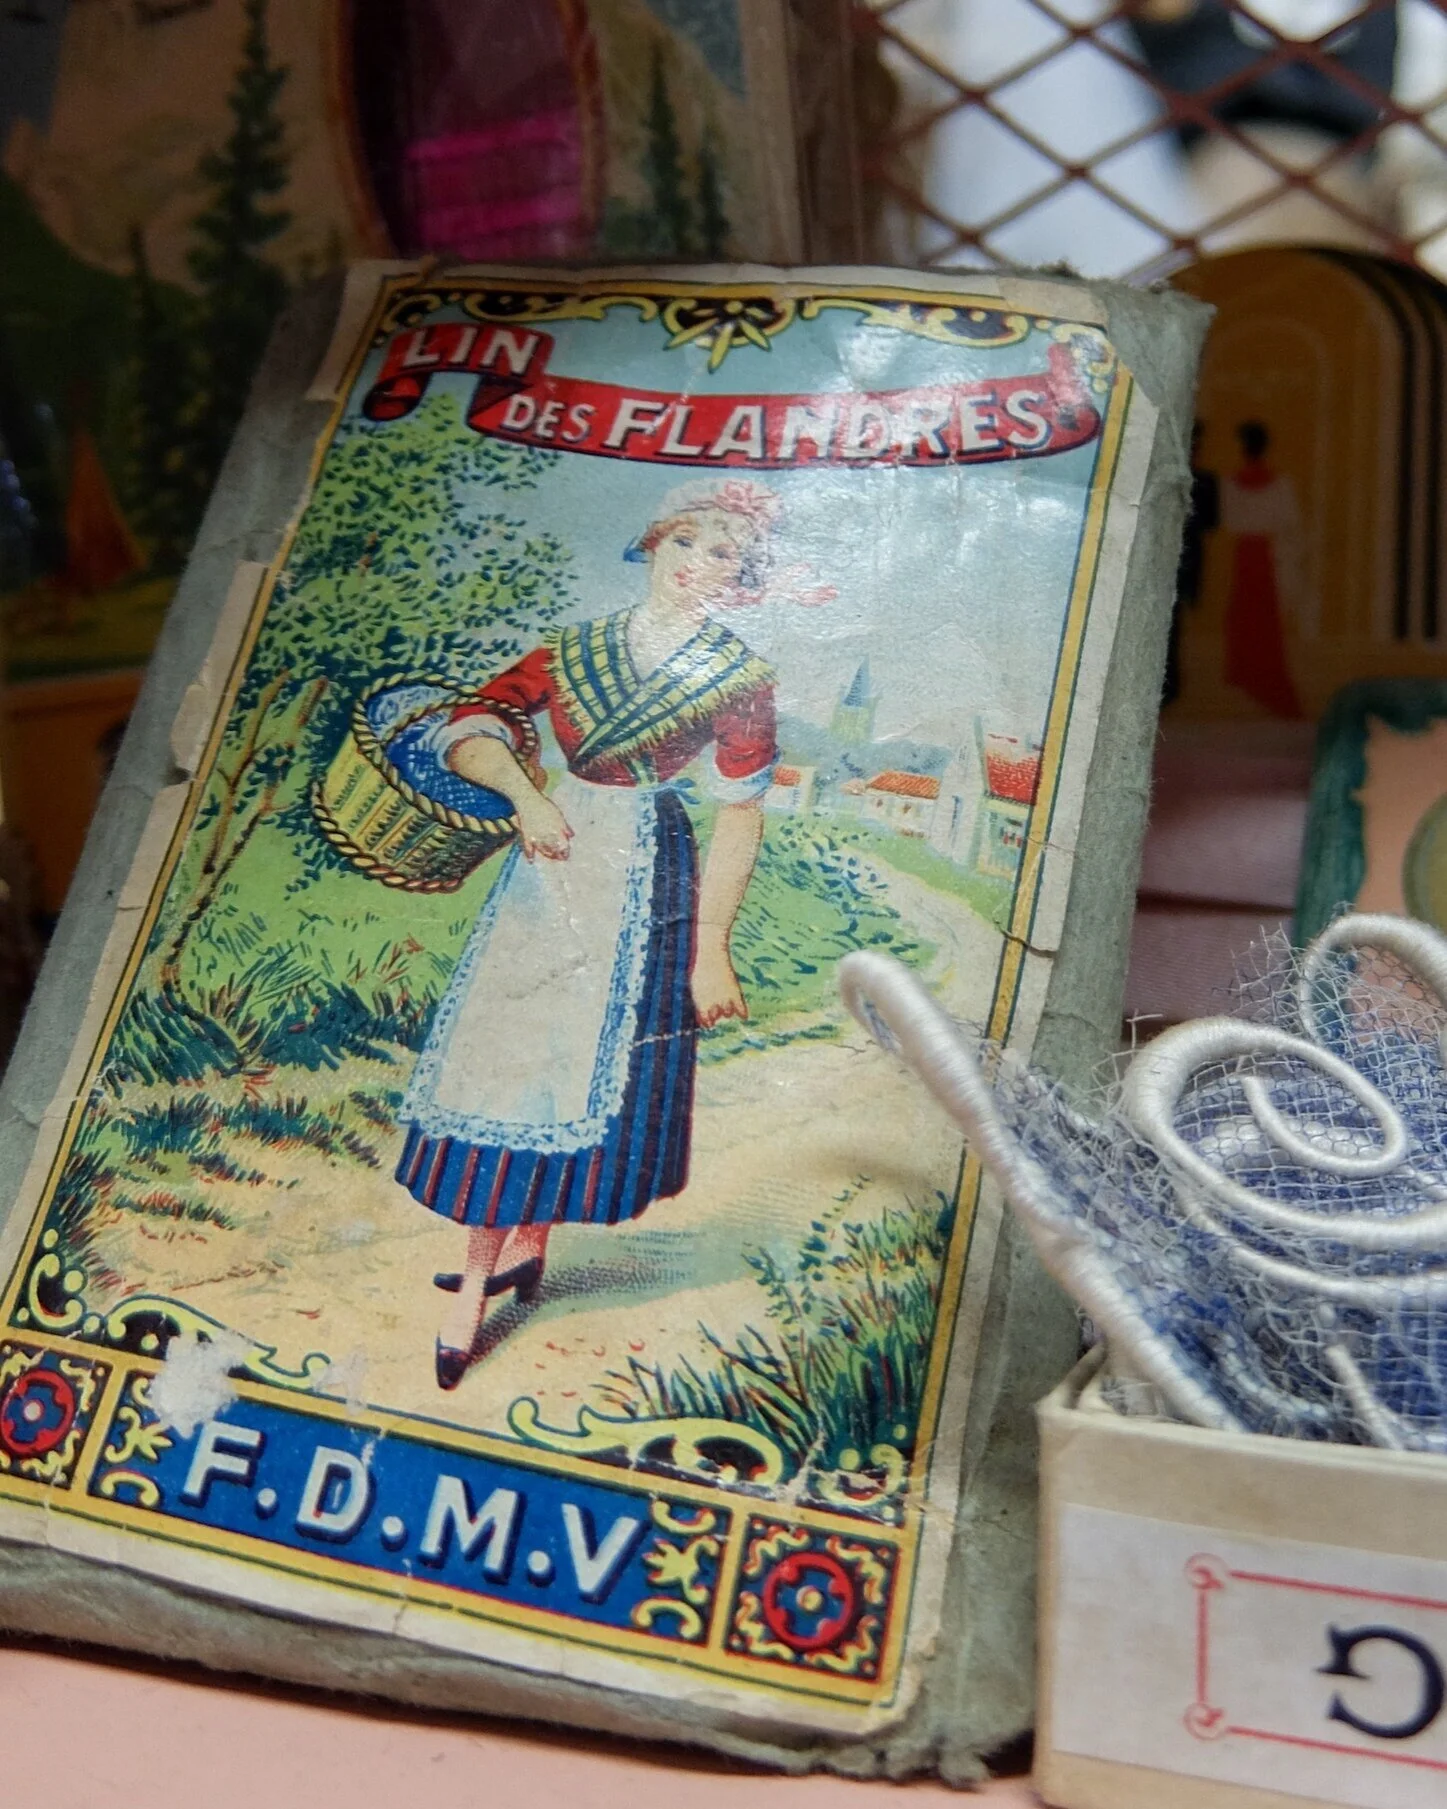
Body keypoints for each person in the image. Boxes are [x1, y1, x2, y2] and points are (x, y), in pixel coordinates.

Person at [394, 478, 784, 1388]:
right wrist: (526, 794)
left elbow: (741, 814)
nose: (703, 566)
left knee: (584, 1064)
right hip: (557, 851)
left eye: (727, 554)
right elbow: (470, 728)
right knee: (515, 1054)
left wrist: (712, 941)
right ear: (655, 544)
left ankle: (529, 1240)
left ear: (744, 576)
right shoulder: (571, 651)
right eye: (691, 543)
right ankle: (476, 1284)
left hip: (651, 864)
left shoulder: (740, 679)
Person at [1221, 419, 1303, 719]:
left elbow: (1232, 522)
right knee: (1255, 614)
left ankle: (1249, 673)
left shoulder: (1233, 484)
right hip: (1258, 554)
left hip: (1253, 555)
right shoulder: (1279, 485)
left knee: (1251, 613)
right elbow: (1289, 521)